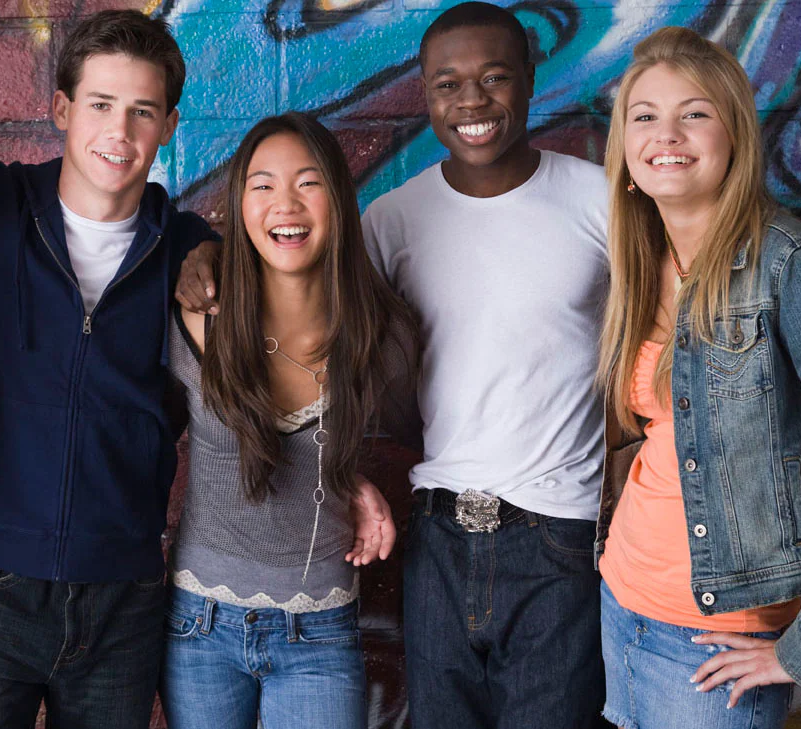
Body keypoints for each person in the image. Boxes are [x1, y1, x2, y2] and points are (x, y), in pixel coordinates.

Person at [0, 11, 395, 729]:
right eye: (100, 105)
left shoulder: (191, 252)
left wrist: (345, 476)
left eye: (142, 111)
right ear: (62, 109)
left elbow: (281, 383)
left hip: (122, 601)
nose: (119, 132)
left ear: (169, 124)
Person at [179, 4, 610, 726]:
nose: (471, 101)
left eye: (494, 77)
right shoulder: (392, 220)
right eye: (447, 84)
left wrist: (637, 463)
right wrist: (212, 255)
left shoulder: (599, 201)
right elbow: (309, 297)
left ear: (532, 77)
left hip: (559, 537)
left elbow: (660, 343)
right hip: (437, 532)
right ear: (426, 91)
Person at [594, 26, 801, 729]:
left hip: (718, 639)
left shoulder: (790, 265)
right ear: (626, 154)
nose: (666, 133)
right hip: (622, 603)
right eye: (644, 116)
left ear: (734, 132)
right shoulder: (644, 263)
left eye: (694, 113)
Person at [159, 112, 418, 729]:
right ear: (240, 206)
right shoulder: (196, 318)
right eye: (262, 185)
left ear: (337, 196)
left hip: (322, 631)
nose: (286, 204)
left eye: (308, 182)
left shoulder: (382, 336)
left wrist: (349, 480)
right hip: (201, 625)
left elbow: (403, 439)